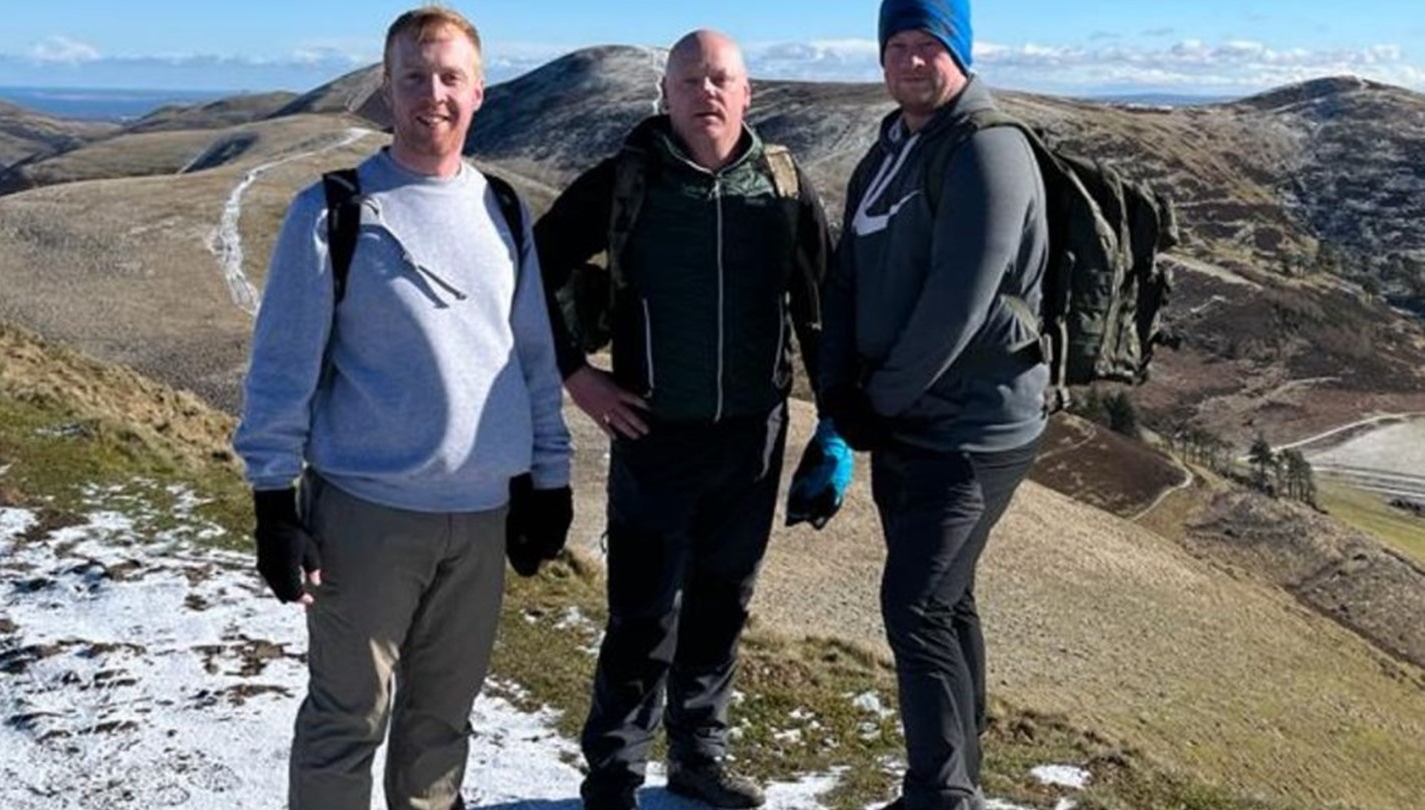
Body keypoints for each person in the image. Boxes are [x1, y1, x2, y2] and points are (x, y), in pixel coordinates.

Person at [232, 7, 572, 809]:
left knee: (441, 727)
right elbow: (282, 369)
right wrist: (272, 505)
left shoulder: (505, 211)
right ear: (386, 91)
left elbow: (530, 359)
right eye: (413, 77)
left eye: (451, 77)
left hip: (482, 520)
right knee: (346, 721)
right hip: (366, 517)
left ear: (480, 91)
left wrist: (547, 480)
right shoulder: (333, 212)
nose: (433, 95)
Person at [533, 29, 848, 810]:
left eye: (721, 79)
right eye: (689, 80)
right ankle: (612, 773)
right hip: (653, 433)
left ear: (748, 95)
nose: (706, 92)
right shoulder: (624, 182)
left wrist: (833, 430)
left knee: (722, 602)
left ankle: (699, 759)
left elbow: (823, 311)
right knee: (643, 613)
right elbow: (528, 270)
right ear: (665, 97)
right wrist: (579, 376)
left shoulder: (781, 187)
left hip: (752, 436)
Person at [819, 1, 1049, 808]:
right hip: (908, 420)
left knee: (915, 605)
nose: (911, 61)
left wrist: (874, 401)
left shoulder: (987, 150)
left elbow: (960, 299)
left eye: (929, 45)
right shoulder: (891, 146)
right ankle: (959, 780)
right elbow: (848, 273)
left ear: (960, 52)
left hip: (975, 428)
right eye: (898, 46)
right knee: (946, 603)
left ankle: (941, 794)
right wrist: (838, 389)